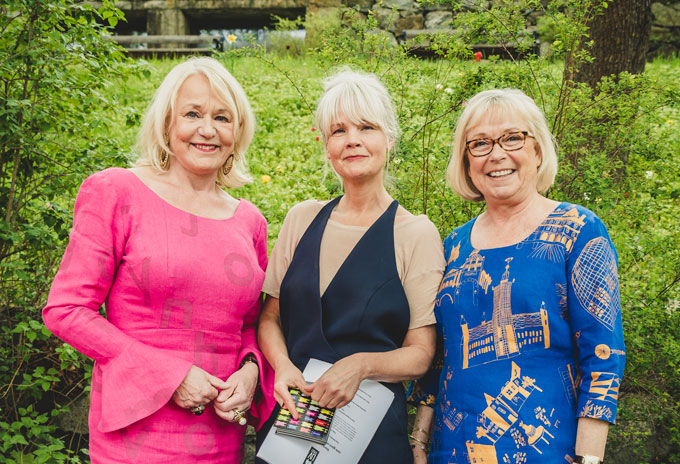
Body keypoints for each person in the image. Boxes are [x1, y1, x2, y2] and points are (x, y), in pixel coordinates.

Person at [42, 57, 275, 462]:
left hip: (221, 437)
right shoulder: (116, 192)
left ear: (238, 132)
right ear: (167, 123)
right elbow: (66, 309)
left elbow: (252, 324)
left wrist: (251, 371)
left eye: (222, 117)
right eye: (192, 114)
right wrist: (169, 376)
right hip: (136, 435)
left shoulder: (250, 221)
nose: (207, 129)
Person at [407, 88, 626, 464]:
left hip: (547, 453)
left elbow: (603, 356)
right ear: (466, 161)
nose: (497, 154)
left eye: (512, 138)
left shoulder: (577, 229)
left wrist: (590, 458)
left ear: (537, 150)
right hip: (452, 451)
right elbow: (440, 356)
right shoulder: (454, 245)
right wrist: (419, 441)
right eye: (479, 144)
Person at [255, 70, 445, 463]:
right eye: (338, 130)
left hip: (370, 434)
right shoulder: (300, 219)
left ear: (389, 139)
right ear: (326, 145)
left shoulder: (414, 233)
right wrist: (283, 366)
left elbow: (421, 353)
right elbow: (269, 318)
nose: (353, 139)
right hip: (292, 430)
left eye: (366, 127)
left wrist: (360, 366)